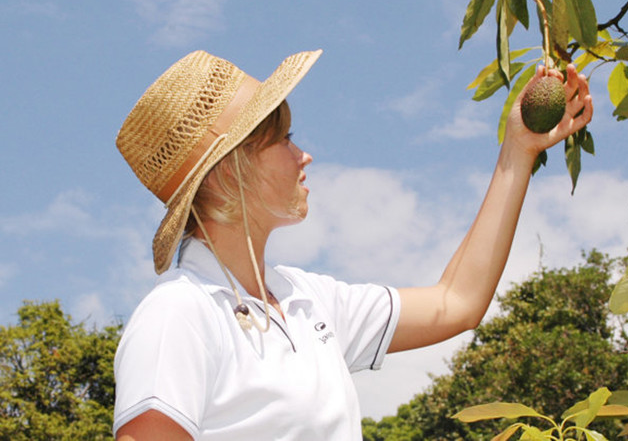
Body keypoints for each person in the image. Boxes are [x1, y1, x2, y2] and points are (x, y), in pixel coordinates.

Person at [113, 49, 593, 440]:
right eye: (285, 139)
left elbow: (456, 302)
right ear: (230, 170)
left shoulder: (306, 301)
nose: (305, 155)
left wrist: (518, 149)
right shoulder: (179, 314)